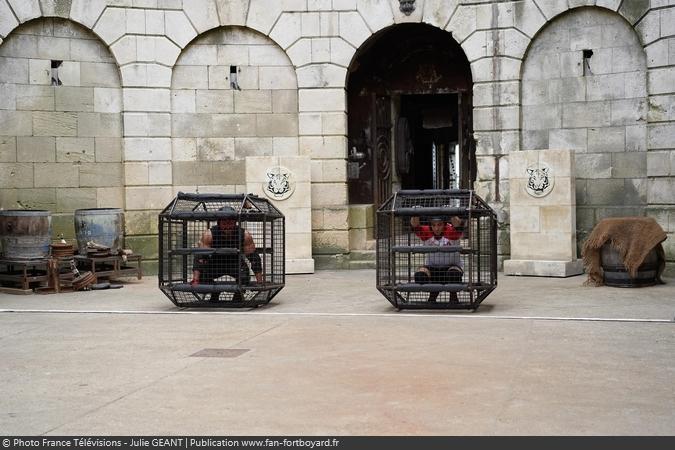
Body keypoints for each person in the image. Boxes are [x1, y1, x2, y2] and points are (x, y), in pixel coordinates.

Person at [190, 206, 262, 302]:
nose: (227, 226)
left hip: (235, 264)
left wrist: (259, 281)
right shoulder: (209, 234)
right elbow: (200, 257)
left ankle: (238, 295)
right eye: (224, 223)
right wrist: (196, 280)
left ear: (235, 222)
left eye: (230, 223)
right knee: (203, 276)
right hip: (215, 263)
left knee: (244, 276)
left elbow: (254, 258)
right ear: (219, 223)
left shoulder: (244, 235)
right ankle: (214, 293)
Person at [410, 215, 465, 302]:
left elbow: (458, 224)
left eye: (439, 225)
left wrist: (452, 212)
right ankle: (433, 293)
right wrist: (415, 212)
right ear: (430, 225)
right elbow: (415, 225)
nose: (436, 228)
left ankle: (453, 295)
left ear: (444, 224)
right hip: (433, 268)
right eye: (434, 225)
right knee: (420, 276)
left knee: (454, 275)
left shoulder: (451, 231)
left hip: (451, 267)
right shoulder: (426, 232)